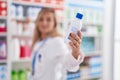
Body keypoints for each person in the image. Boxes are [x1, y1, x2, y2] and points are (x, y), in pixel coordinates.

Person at [31, 8, 84, 80]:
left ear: (54, 23)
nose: (44, 23)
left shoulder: (57, 42)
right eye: (41, 19)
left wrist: (75, 52)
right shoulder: (38, 42)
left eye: (48, 19)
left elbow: (68, 63)